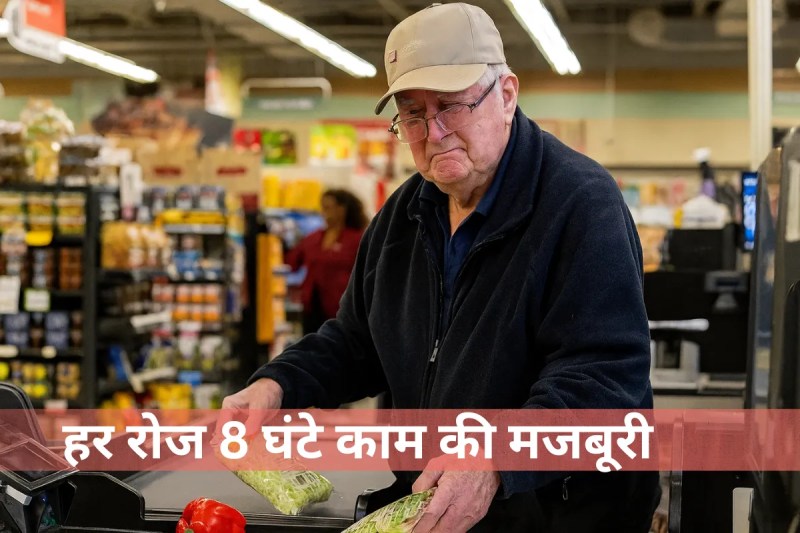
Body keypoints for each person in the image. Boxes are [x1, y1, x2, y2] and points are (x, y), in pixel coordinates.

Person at [220, 3, 660, 531]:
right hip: (434, 504)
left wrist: (497, 458)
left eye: (451, 106)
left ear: (507, 96)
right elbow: (359, 341)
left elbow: (604, 377)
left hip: (560, 512)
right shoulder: (406, 212)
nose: (434, 132)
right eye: (412, 114)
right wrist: (278, 386)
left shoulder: (581, 204)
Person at [286, 189, 368, 334]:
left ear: (342, 210)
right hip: (312, 306)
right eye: (322, 207)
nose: (324, 212)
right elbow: (292, 261)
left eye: (328, 207)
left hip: (342, 309)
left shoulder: (357, 239)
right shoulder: (314, 237)